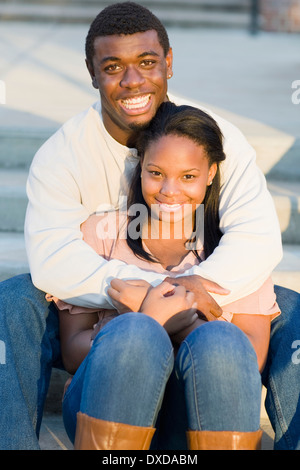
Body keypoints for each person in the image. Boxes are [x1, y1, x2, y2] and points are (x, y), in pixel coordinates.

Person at [0, 1, 299, 450]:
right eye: (113, 66)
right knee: (15, 298)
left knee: (287, 308)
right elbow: (53, 261)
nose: (133, 81)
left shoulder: (214, 138)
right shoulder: (62, 156)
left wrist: (185, 293)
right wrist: (149, 298)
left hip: (194, 305)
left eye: (146, 62)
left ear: (169, 63)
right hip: (106, 301)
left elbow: (256, 237)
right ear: (92, 72)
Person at [53, 102, 280, 450]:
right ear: (139, 167)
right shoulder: (100, 233)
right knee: (135, 332)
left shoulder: (239, 249)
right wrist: (147, 321)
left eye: (188, 176)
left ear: (211, 173)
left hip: (195, 417)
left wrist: (173, 319)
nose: (169, 191)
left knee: (219, 341)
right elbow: (71, 352)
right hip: (102, 406)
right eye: (155, 172)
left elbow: (248, 358)